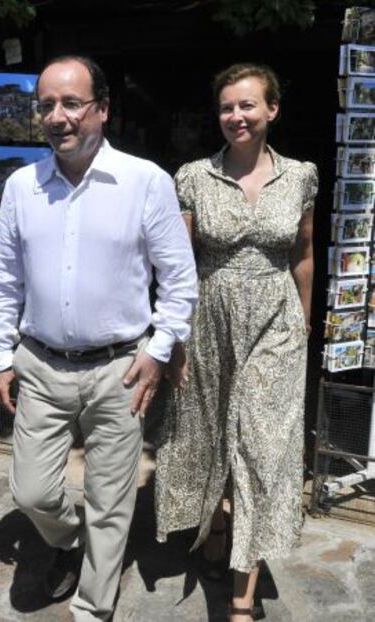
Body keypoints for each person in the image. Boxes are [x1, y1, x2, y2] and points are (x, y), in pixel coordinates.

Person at [0, 55, 198, 622]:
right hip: (41, 364)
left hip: (120, 369)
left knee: (110, 501)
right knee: (31, 491)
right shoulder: (21, 187)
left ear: (101, 108)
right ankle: (68, 541)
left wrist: (158, 350)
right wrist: (1, 356)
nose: (58, 116)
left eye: (71, 103)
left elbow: (179, 281)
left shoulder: (145, 181)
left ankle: (92, 608)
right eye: (46, 104)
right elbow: (2, 280)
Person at [155, 63, 318, 622]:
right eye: (227, 107)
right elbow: (177, 266)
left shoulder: (300, 176)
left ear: (272, 109)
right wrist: (173, 338)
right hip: (209, 320)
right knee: (209, 429)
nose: (236, 116)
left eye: (248, 105)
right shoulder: (194, 176)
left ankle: (242, 601)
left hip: (275, 325)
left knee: (261, 446)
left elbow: (302, 252)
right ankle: (219, 524)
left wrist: (304, 318)